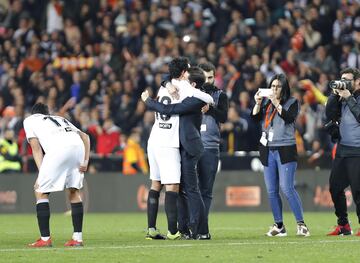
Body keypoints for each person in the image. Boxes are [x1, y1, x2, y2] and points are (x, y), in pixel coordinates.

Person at [145, 58, 214, 240]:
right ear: (184, 73)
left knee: (156, 184)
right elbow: (202, 99)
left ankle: (152, 228)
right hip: (169, 143)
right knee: (174, 187)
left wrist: (151, 98)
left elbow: (166, 78)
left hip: (154, 139)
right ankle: (174, 231)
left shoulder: (166, 86)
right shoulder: (185, 89)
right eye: (188, 69)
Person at [23, 103, 90, 247]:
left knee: (40, 191)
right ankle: (77, 238)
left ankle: (45, 239)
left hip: (59, 149)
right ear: (47, 113)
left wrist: (41, 175)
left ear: (33, 113)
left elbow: (36, 149)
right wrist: (85, 161)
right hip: (78, 148)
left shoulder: (30, 120)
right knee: (74, 191)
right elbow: (85, 137)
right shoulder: (60, 119)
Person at [251, 73, 310, 237]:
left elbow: (289, 117)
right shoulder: (266, 104)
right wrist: (257, 103)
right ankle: (279, 226)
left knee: (287, 188)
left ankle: (301, 225)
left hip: (285, 149)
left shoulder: (292, 102)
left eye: (277, 86)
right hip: (268, 149)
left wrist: (276, 102)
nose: (274, 89)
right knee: (271, 190)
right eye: (272, 86)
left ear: (284, 88)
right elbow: (254, 119)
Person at [325, 67, 360, 236]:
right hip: (342, 149)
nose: (344, 82)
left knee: (358, 191)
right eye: (342, 79)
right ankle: (343, 225)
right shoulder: (341, 97)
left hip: (358, 151)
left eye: (348, 80)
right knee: (335, 188)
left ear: (358, 82)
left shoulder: (353, 98)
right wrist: (334, 95)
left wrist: (350, 98)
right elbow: (328, 113)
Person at [196, 62, 228, 239]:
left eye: (210, 77)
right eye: (204, 77)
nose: (207, 81)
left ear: (215, 77)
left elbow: (223, 116)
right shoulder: (192, 93)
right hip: (192, 146)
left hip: (210, 147)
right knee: (190, 190)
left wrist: (211, 109)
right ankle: (190, 228)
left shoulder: (220, 95)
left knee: (206, 191)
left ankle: (202, 230)